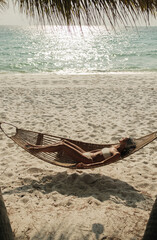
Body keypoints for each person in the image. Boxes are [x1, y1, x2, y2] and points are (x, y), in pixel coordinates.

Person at [26, 137, 136, 168]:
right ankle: (37, 146)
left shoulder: (116, 154)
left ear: (126, 144)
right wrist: (84, 151)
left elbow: (102, 163)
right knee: (64, 141)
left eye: (125, 138)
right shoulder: (114, 146)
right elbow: (98, 151)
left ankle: (36, 149)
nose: (123, 137)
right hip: (86, 154)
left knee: (62, 146)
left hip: (88, 160)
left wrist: (86, 165)